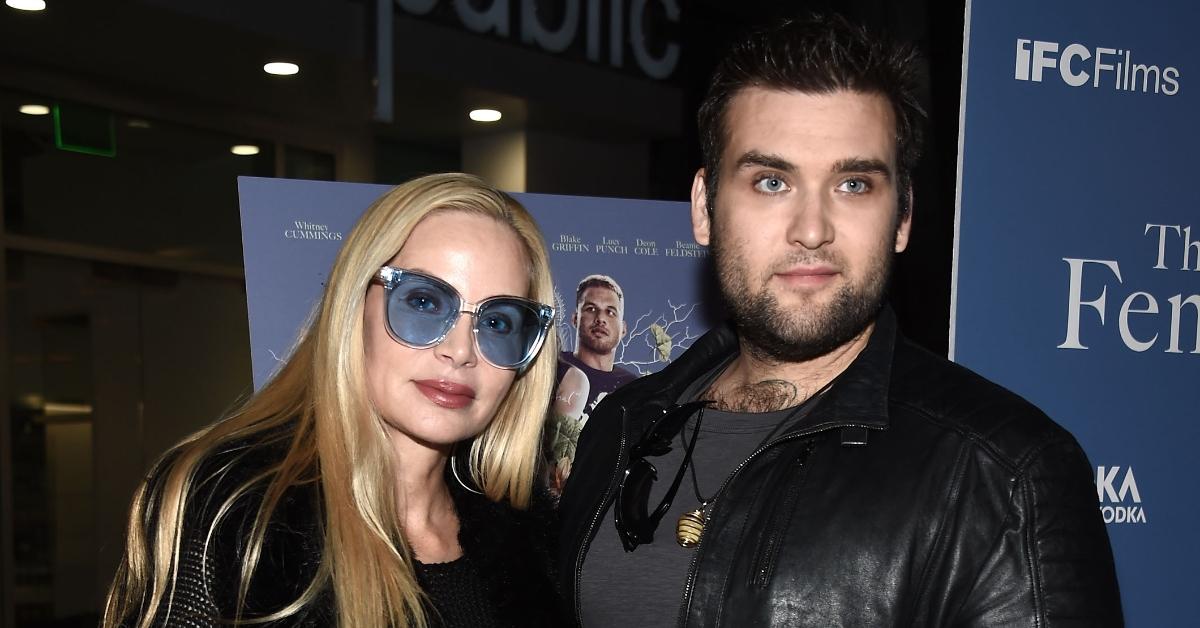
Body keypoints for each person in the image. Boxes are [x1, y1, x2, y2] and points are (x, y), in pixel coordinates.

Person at [558, 14, 1123, 627]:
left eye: (853, 184)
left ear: (902, 216)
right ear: (703, 207)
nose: (811, 229)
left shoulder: (1004, 475)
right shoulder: (620, 427)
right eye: (771, 181)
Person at [103, 173, 563, 627]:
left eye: (499, 323)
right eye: (424, 302)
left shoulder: (531, 540)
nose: (461, 351)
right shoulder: (238, 512)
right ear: (354, 304)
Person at [544, 275, 637, 500]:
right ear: (575, 318)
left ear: (623, 329)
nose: (600, 319)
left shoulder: (635, 388)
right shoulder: (550, 369)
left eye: (610, 312)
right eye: (591, 309)